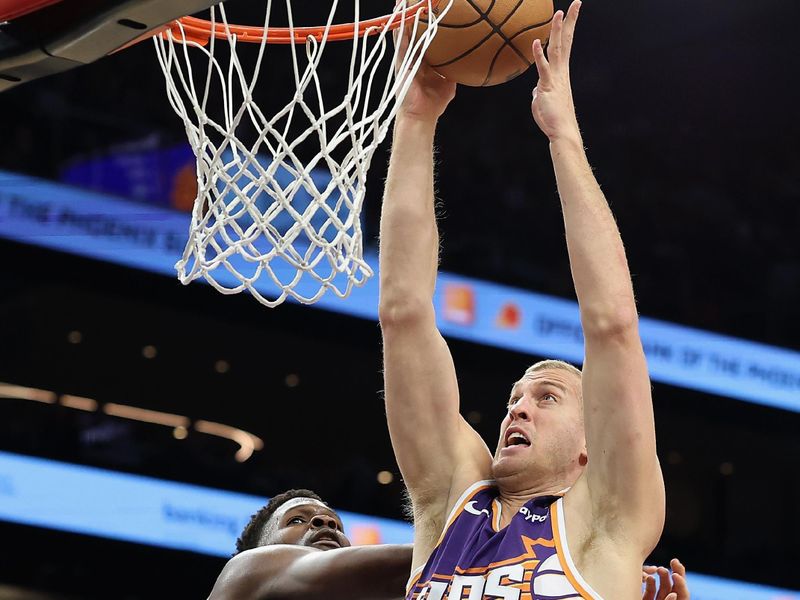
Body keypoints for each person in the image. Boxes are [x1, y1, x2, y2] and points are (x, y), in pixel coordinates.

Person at [378, 1, 666, 598]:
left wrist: (563, 134)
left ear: (592, 446)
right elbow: (403, 313)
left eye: (547, 396)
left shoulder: (608, 525)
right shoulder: (448, 508)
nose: (517, 409)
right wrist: (415, 118)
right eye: (516, 398)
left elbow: (612, 325)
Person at [207, 489, 689, 600]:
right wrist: (566, 558)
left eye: (332, 519)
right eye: (298, 521)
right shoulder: (248, 575)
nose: (323, 525)